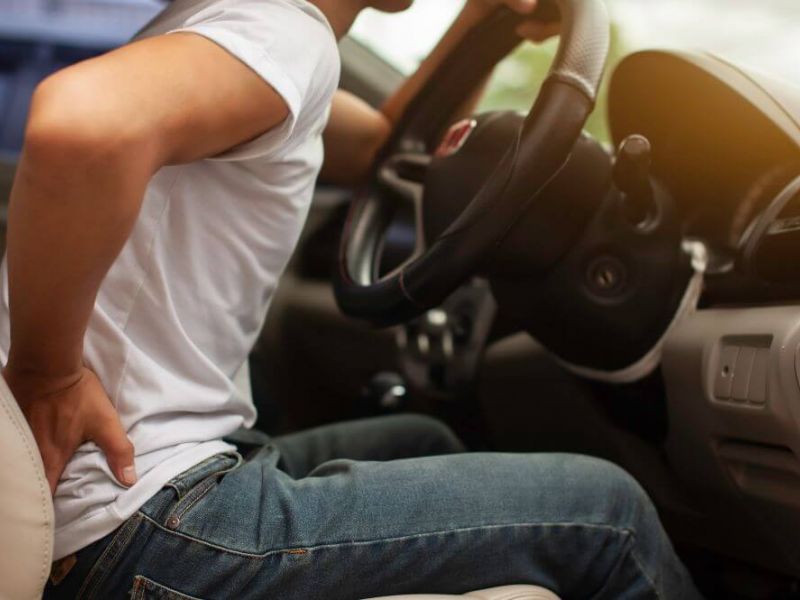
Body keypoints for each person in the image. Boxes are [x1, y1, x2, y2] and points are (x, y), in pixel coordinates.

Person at [0, 0, 702, 597]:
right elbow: (79, 122)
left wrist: (481, 20)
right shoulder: (279, 33)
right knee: (610, 515)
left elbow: (384, 149)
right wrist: (47, 373)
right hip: (141, 522)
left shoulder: (240, 32)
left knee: (421, 442)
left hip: (109, 502)